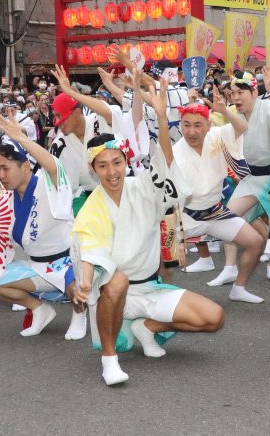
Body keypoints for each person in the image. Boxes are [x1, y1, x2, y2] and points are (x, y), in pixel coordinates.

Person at [72, 75, 224, 385]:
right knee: (117, 282)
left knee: (214, 318)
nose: (112, 171)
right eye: (103, 166)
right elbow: (89, 248)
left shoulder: (141, 187)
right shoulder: (92, 207)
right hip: (113, 294)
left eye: (117, 162)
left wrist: (164, 120)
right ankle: (110, 360)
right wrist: (85, 283)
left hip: (149, 287)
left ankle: (148, 327)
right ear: (94, 170)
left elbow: (166, 168)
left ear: (126, 162)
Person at [0, 114, 87, 339]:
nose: (0, 175)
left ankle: (80, 314)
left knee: (77, 287)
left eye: (5, 168)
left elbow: (52, 165)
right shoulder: (6, 201)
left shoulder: (50, 186)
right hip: (37, 268)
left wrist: (21, 138)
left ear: (26, 167)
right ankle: (40, 310)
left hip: (68, 263)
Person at [175, 88, 266, 304]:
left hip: (215, 211)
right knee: (161, 258)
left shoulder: (216, 136)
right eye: (186, 125)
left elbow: (242, 127)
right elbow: (171, 200)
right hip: (185, 216)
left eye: (198, 125)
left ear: (208, 126)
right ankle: (155, 297)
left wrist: (224, 110)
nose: (191, 131)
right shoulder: (176, 153)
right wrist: (175, 237)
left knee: (255, 241)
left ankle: (239, 287)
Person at [206, 71, 270, 288]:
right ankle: (229, 268)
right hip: (251, 176)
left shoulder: (268, 106)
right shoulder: (234, 113)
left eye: (241, 92)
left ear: (254, 92)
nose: (236, 97)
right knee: (227, 217)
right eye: (232, 93)